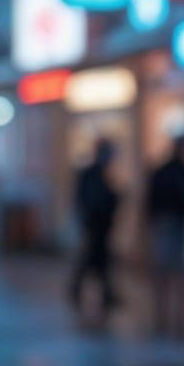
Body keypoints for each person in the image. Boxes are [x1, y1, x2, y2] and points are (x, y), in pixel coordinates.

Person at [146, 135, 184, 338]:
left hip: (170, 223)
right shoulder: (179, 171)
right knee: (172, 272)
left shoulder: (172, 171)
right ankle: (170, 318)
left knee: (168, 272)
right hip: (170, 223)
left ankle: (168, 317)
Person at [69, 139, 120, 330]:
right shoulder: (92, 174)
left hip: (101, 224)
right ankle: (80, 290)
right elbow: (85, 198)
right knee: (93, 259)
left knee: (99, 260)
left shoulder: (102, 174)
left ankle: (105, 293)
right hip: (94, 224)